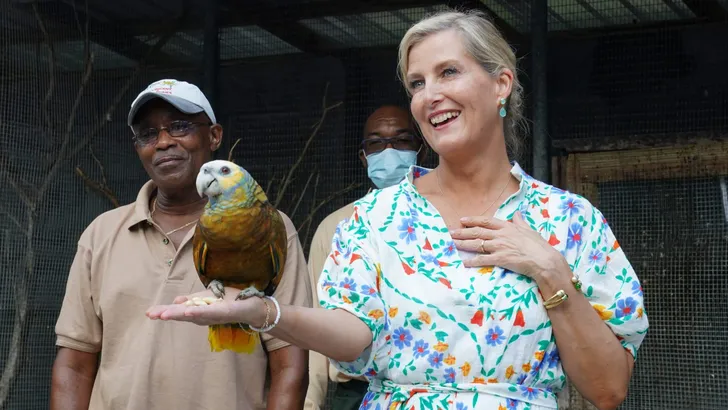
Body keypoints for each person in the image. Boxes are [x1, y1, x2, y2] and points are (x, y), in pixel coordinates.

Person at [147, 10, 649, 410]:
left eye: (448, 72)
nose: (430, 95)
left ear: (501, 84)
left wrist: (548, 269)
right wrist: (263, 312)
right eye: (416, 83)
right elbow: (352, 335)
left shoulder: (570, 219)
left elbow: (608, 390)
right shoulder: (374, 218)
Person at [51, 79, 311, 410]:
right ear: (138, 149)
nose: (163, 142)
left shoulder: (271, 228)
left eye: (179, 126)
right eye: (148, 134)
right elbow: (74, 363)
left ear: (214, 136)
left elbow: (290, 363)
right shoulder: (101, 234)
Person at [304, 105, 426, 410]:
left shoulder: (441, 220)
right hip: (357, 393)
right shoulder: (336, 226)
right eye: (376, 143)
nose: (389, 151)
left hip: (429, 390)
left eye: (401, 141)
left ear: (420, 150)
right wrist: (309, 403)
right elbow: (317, 322)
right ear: (364, 156)